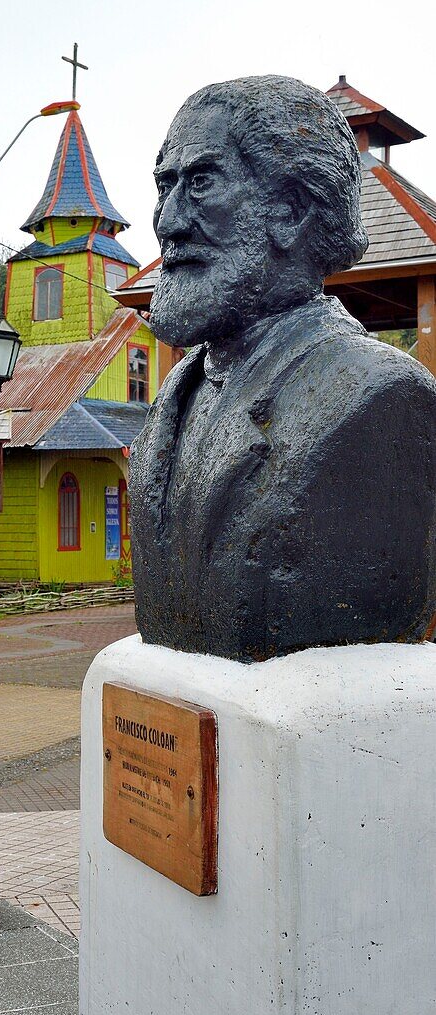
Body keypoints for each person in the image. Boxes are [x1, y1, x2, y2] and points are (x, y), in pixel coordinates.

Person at [129, 74, 436, 662]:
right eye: (165, 187)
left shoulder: (381, 401)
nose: (167, 221)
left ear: (291, 211)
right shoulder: (177, 393)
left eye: (200, 182)